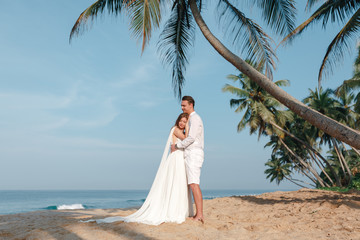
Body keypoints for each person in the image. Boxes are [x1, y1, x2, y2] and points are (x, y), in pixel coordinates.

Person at [91, 113, 194, 225]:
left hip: (179, 159)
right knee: (174, 184)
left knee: (179, 184)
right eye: (181, 121)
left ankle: (180, 209)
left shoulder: (180, 131)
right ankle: (173, 210)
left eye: (185, 122)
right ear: (178, 120)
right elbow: (186, 140)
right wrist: (188, 127)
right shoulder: (175, 129)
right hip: (175, 160)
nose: (182, 123)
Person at [171, 96, 205, 223]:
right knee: (192, 183)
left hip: (194, 153)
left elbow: (190, 138)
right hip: (191, 153)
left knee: (194, 184)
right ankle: (198, 213)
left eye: (184, 105)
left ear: (191, 105)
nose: (182, 108)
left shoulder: (195, 119)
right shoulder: (191, 119)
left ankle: (199, 214)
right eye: (181, 105)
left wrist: (177, 146)